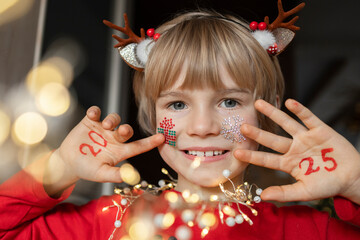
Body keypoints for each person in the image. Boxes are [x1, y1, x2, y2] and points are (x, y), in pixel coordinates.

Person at [1, 3, 360, 240]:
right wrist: (58, 167)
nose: (202, 126)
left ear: (270, 111)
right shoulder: (104, 223)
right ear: (151, 117)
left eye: (230, 101)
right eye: (177, 104)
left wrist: (356, 182)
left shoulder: (308, 231)